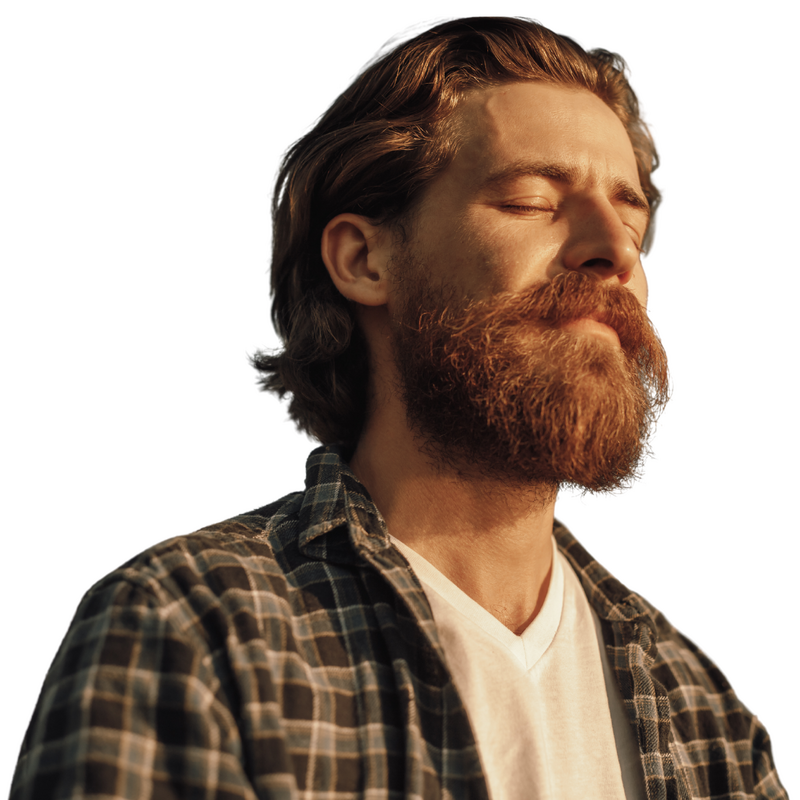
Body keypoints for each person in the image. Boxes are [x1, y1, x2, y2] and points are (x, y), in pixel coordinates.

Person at [10, 16, 786, 800]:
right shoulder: (191, 634)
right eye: (529, 200)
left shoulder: (707, 723)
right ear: (363, 259)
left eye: (631, 215)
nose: (615, 250)